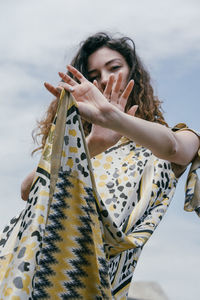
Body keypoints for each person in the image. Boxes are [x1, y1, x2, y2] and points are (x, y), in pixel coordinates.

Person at [10, 32, 200, 299]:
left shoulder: (174, 138)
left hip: (97, 284)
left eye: (114, 67)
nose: (105, 79)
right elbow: (29, 190)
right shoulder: (80, 145)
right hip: (38, 270)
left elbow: (174, 148)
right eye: (94, 73)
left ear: (134, 73)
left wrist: (115, 119)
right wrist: (95, 142)